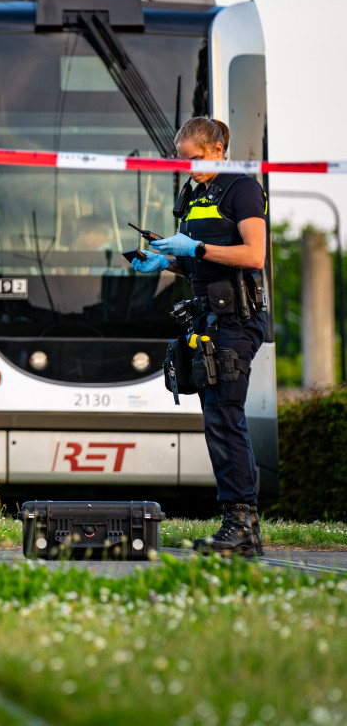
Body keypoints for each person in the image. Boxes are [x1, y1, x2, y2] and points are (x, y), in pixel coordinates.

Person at [131, 116, 268, 557]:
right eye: (180, 159)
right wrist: (164, 261)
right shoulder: (192, 195)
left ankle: (243, 523)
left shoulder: (241, 188)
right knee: (216, 419)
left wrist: (198, 248)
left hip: (237, 320)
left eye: (193, 158)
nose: (186, 166)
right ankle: (237, 521)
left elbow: (254, 254)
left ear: (217, 150)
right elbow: (196, 262)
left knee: (226, 416)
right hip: (208, 319)